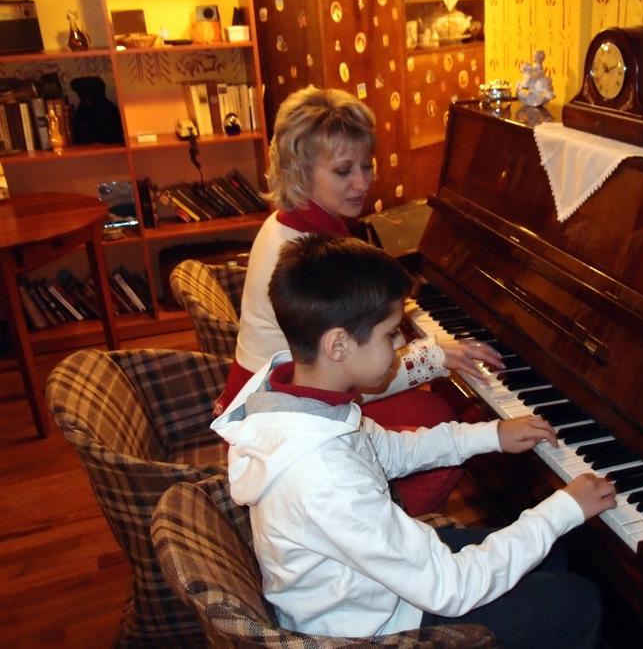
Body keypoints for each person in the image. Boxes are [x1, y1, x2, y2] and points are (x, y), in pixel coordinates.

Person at [211, 234, 618, 647]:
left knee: (553, 553)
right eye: (390, 334)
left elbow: (390, 451)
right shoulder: (324, 476)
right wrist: (562, 509)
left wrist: (490, 435)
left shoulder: (304, 404)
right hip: (368, 629)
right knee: (579, 601)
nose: (403, 344)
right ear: (338, 345)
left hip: (362, 584)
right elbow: (452, 588)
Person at [217, 86, 502, 515]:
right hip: (281, 420)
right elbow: (350, 374)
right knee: (437, 415)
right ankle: (385, 525)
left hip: (286, 390)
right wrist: (434, 356)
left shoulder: (298, 223)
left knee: (444, 403)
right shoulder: (301, 254)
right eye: (343, 171)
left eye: (366, 165)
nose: (363, 182)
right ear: (300, 171)